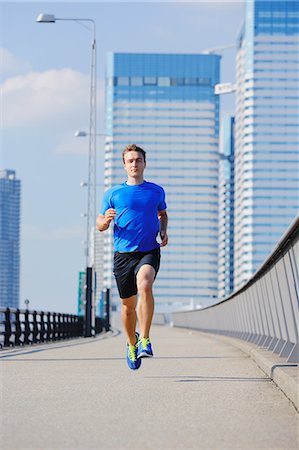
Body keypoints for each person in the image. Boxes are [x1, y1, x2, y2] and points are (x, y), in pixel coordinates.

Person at [96, 144, 168, 370]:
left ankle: (145, 339)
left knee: (145, 284)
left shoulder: (156, 191)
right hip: (123, 255)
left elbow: (162, 214)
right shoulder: (113, 193)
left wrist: (163, 230)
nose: (134, 164)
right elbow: (98, 224)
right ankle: (131, 342)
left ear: (144, 164)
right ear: (124, 165)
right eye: (130, 161)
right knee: (128, 306)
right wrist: (106, 221)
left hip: (148, 250)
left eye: (138, 160)